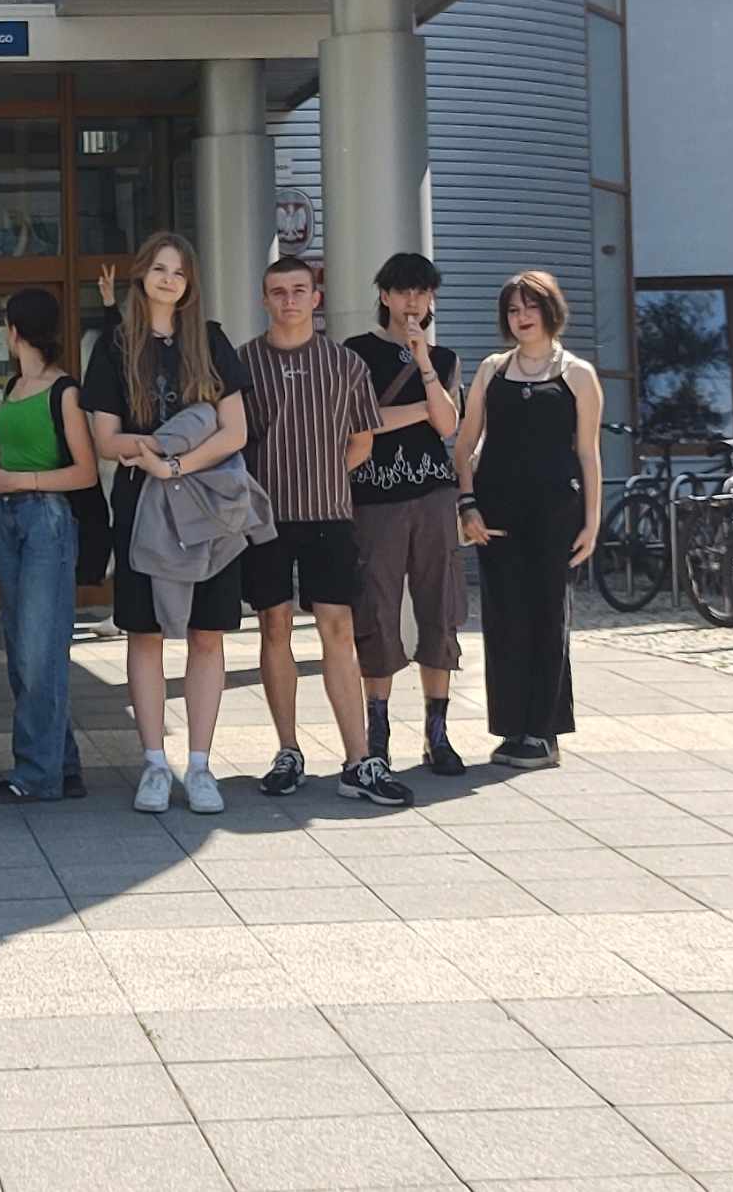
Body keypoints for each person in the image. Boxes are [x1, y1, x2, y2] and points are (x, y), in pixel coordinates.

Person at [83, 232, 250, 815]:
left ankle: (200, 766)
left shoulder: (211, 340)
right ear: (141, 275)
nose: (169, 279)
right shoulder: (115, 346)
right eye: (159, 268)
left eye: (179, 272)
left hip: (208, 503)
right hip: (141, 506)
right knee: (145, 632)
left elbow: (235, 431)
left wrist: (172, 462)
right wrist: (155, 452)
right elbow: (105, 440)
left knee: (207, 633)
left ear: (190, 283)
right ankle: (155, 763)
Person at [238, 258, 412, 808]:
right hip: (265, 518)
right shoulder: (242, 363)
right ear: (264, 299)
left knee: (338, 629)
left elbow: (362, 440)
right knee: (274, 626)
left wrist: (323, 476)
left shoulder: (345, 363)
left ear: (316, 298)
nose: (288, 300)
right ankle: (287, 751)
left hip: (329, 515)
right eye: (277, 292)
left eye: (298, 290)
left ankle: (357, 760)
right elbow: (235, 440)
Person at [454, 270, 603, 770]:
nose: (522, 317)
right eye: (513, 310)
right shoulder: (492, 370)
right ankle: (512, 727)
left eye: (530, 307)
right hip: (496, 512)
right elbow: (464, 444)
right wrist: (467, 504)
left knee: (548, 616)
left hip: (556, 513)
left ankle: (544, 733)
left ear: (550, 310)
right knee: (504, 618)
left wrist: (593, 522)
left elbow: (589, 453)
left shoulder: (578, 374)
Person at [344, 253, 468, 776]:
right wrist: (421, 409)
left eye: (421, 291)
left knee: (441, 604)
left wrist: (423, 363)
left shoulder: (444, 358)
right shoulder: (356, 352)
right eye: (402, 291)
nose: (412, 301)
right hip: (374, 497)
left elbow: (449, 426)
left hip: (434, 494)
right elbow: (360, 421)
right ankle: (377, 733)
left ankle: (437, 733)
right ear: (385, 296)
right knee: (376, 609)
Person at [0, 288, 98, 802]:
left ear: (13, 329)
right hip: (5, 518)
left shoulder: (63, 391)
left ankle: (36, 774)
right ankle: (62, 764)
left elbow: (85, 472)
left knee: (38, 650)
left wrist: (18, 481)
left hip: (45, 519)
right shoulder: (13, 386)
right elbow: (3, 449)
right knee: (23, 644)